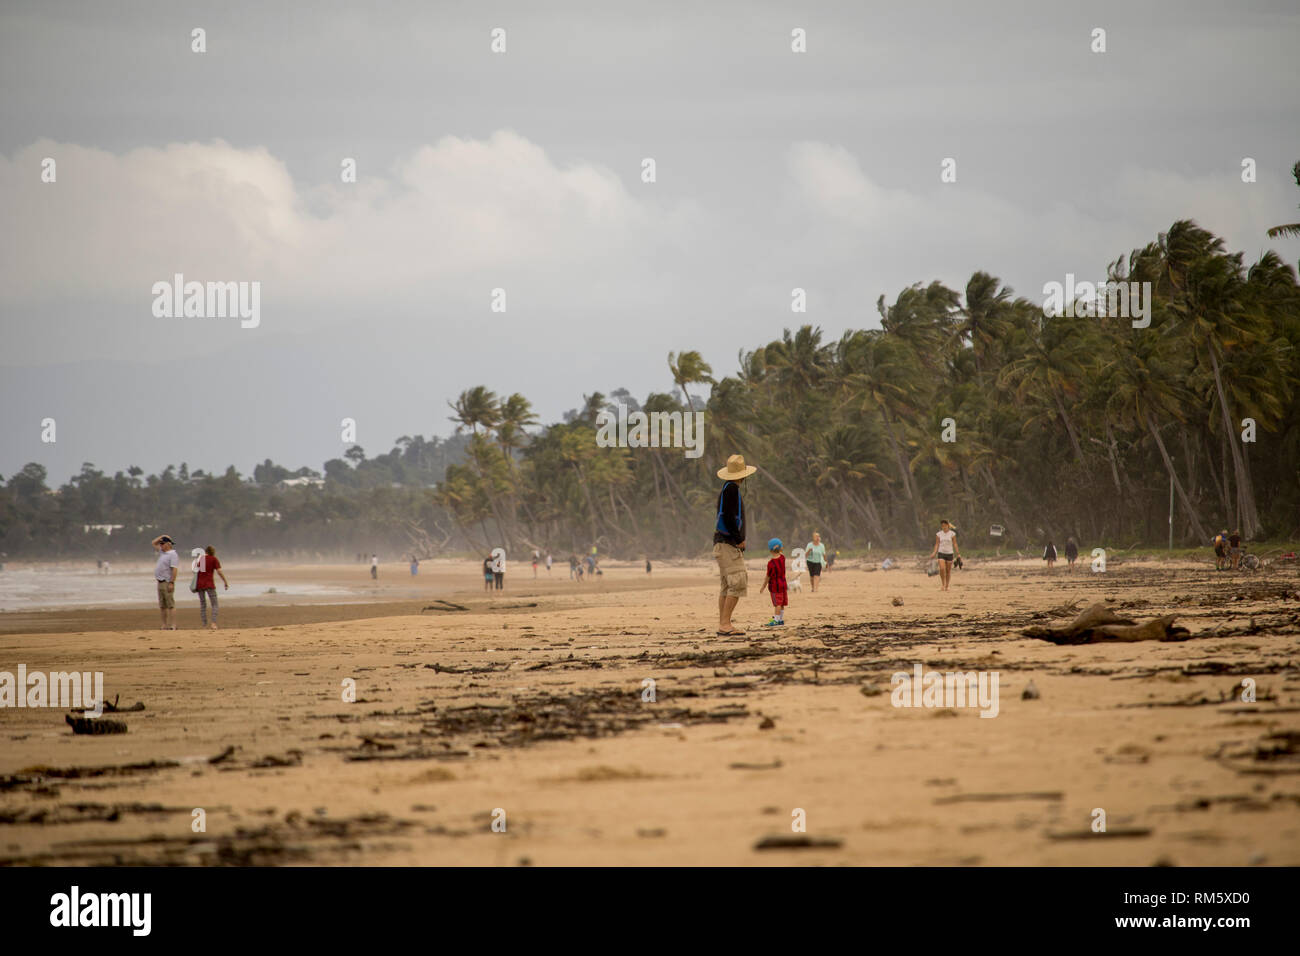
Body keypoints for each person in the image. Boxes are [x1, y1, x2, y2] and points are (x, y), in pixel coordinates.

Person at [714, 453, 755, 636]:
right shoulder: (731, 490)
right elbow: (730, 519)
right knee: (738, 582)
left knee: (727, 585)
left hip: (722, 544)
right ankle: (725, 624)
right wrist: (739, 540)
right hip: (728, 544)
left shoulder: (727, 488)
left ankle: (724, 623)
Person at [195, 545, 228, 630]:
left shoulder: (201, 559)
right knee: (214, 604)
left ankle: (204, 624)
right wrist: (225, 581)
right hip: (209, 584)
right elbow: (219, 571)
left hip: (200, 584)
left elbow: (197, 572)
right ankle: (213, 623)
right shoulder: (213, 559)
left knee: (203, 604)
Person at [151, 534, 180, 629]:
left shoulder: (173, 554)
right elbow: (153, 543)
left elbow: (174, 569)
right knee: (162, 606)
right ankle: (164, 625)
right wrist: (162, 536)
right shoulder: (162, 553)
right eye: (160, 544)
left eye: (162, 543)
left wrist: (172, 582)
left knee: (170, 605)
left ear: (168, 544)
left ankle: (173, 625)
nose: (161, 545)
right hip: (160, 581)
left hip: (167, 582)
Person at [760, 538, 788, 627]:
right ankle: (780, 619)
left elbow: (768, 576)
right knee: (782, 603)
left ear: (770, 550)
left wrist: (763, 586)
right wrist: (779, 548)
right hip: (783, 584)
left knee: (777, 604)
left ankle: (776, 620)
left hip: (775, 586)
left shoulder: (771, 563)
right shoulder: (783, 558)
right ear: (780, 548)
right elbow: (781, 553)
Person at [928, 519, 959, 592]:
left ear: (948, 526)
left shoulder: (952, 534)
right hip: (941, 553)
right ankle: (943, 584)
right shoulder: (938, 534)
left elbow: (955, 544)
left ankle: (947, 586)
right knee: (942, 569)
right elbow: (937, 544)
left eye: (945, 525)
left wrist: (958, 554)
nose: (944, 527)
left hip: (950, 553)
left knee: (948, 571)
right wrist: (934, 553)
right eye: (942, 526)